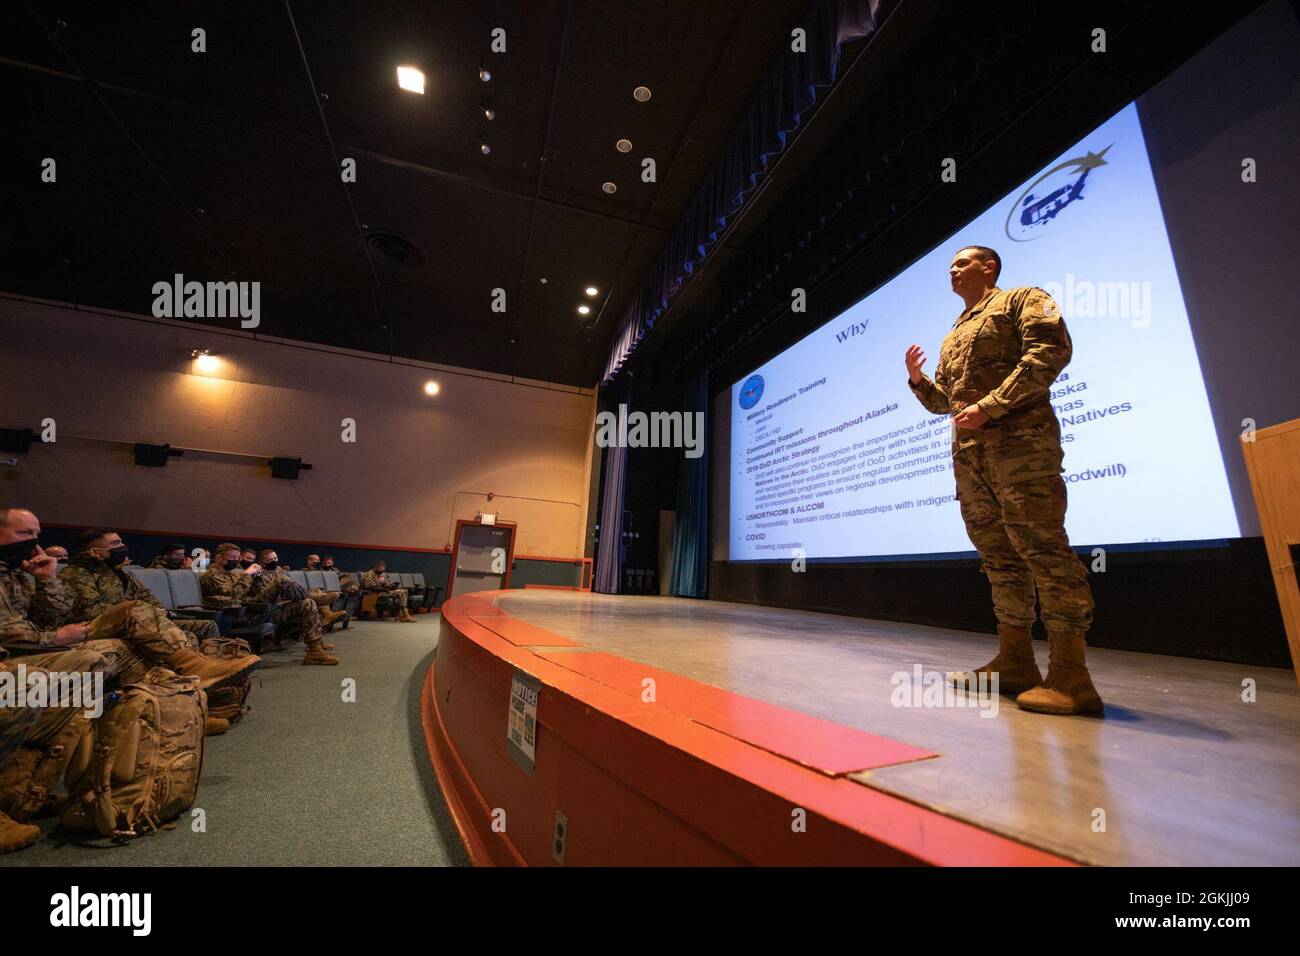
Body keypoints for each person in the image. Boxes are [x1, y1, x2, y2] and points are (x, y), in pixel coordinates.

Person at [904, 245, 1101, 715]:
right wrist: (917, 380)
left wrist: (991, 406)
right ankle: (1015, 663)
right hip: (971, 458)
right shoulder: (954, 335)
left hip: (1022, 447)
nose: (952, 270)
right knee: (998, 556)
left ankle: (1072, 677)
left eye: (962, 262)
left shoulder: (1023, 299)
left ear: (988, 267)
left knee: (1042, 547)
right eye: (949, 265)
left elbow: (1051, 351)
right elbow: (945, 403)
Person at [60, 529, 220, 645]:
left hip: (140, 621)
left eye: (121, 541)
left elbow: (146, 595)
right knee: (184, 636)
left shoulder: (118, 573)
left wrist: (158, 612)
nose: (122, 546)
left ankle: (214, 668)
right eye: (116, 543)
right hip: (102, 627)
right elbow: (90, 611)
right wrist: (141, 612)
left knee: (207, 626)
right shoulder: (77, 573)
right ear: (96, 552)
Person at [202, 544, 338, 664]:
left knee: (306, 603)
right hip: (246, 612)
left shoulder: (235, 573)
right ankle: (314, 597)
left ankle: (314, 650)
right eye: (233, 557)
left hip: (262, 608)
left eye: (238, 557)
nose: (236, 560)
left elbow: (250, 589)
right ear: (219, 558)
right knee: (282, 581)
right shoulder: (211, 575)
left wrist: (257, 578)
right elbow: (233, 595)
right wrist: (248, 575)